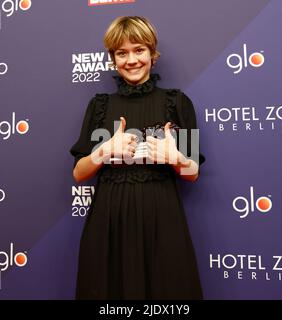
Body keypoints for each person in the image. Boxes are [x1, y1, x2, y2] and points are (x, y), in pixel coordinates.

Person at [70, 16, 205, 300]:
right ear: (113, 59)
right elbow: (79, 173)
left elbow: (193, 173)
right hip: (109, 220)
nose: (131, 60)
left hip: (162, 219)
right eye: (122, 53)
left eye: (139, 50)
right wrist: (104, 152)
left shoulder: (176, 102)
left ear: (152, 54)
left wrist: (176, 158)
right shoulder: (99, 106)